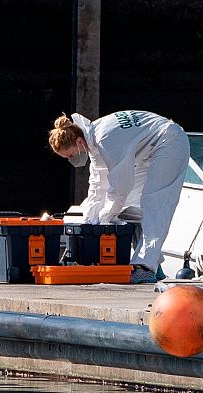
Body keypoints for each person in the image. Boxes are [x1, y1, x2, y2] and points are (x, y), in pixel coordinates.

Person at [48, 110, 190, 284]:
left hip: (170, 143)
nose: (73, 159)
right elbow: (98, 183)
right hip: (151, 148)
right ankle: (154, 262)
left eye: (71, 155)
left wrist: (105, 217)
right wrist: (90, 220)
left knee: (155, 203)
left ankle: (145, 267)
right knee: (132, 206)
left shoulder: (105, 139)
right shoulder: (94, 138)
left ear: (78, 142)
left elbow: (121, 186)